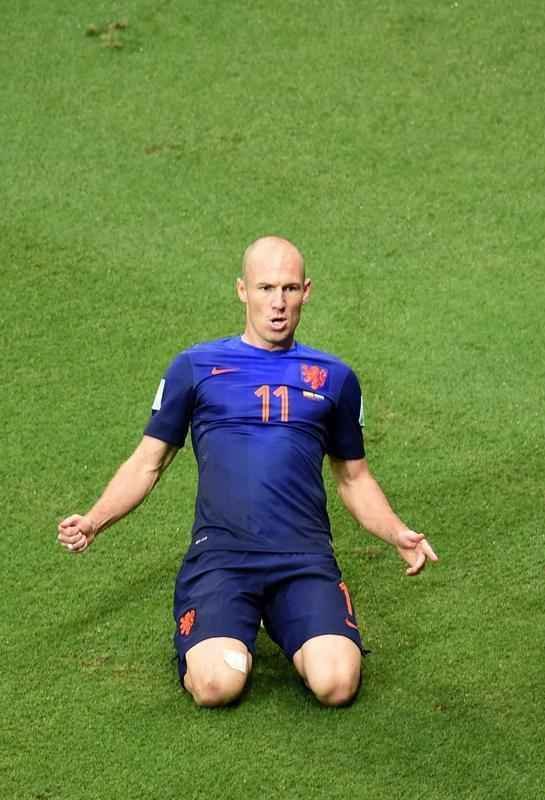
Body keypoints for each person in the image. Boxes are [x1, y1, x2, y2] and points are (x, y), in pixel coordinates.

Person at [56, 235, 437, 708]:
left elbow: (354, 478)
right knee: (218, 686)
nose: (278, 303)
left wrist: (397, 532)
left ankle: (277, 617)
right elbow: (147, 462)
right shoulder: (195, 368)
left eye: (290, 289)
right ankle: (230, 628)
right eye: (266, 288)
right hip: (222, 558)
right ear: (242, 290)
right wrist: (95, 520)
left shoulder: (335, 378)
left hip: (303, 558)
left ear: (306, 292)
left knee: (337, 684)